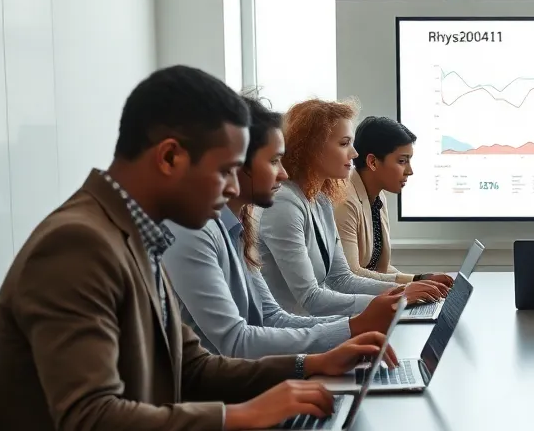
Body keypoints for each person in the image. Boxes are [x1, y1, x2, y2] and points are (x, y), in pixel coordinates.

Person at [0, 66, 397, 431]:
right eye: (226, 171)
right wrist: (240, 416)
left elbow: (195, 366)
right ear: (171, 157)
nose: (235, 190)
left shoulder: (131, 234)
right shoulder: (79, 246)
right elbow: (91, 423)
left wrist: (308, 366)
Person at [162, 95, 404, 359]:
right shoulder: (192, 232)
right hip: (222, 389)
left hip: (254, 371)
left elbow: (271, 317)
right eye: (274, 160)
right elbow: (236, 341)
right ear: (236, 164)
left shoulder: (238, 226)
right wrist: (350, 330)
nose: (283, 173)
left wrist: (350, 330)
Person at [258, 98, 446, 316]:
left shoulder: (321, 200)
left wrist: (405, 290)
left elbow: (341, 279)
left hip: (318, 329)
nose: (355, 154)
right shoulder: (284, 204)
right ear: (312, 148)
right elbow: (311, 299)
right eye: (344, 143)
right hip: (293, 340)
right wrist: (397, 298)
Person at [334, 115, 454, 286]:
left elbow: (378, 270)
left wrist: (422, 280)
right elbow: (352, 274)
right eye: (402, 161)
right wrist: (414, 283)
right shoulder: (345, 201)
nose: (409, 171)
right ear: (373, 162)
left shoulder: (378, 197)